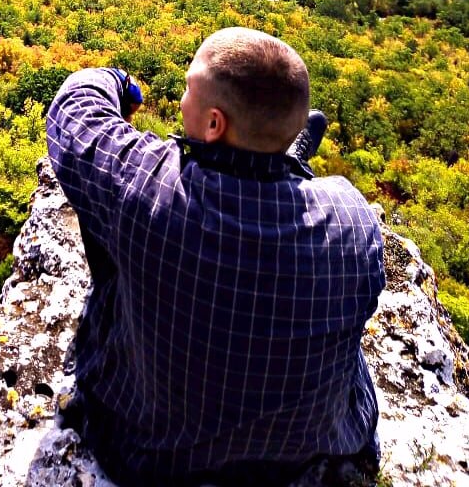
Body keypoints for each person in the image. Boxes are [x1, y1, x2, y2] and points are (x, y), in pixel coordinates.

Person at [46, 27, 385, 487]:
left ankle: (281, 162)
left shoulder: (149, 188)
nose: (182, 99)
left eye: (188, 89)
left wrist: (118, 80)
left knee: (110, 224)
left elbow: (74, 109)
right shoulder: (352, 218)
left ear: (213, 124)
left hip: (149, 454)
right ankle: (287, 163)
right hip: (305, 451)